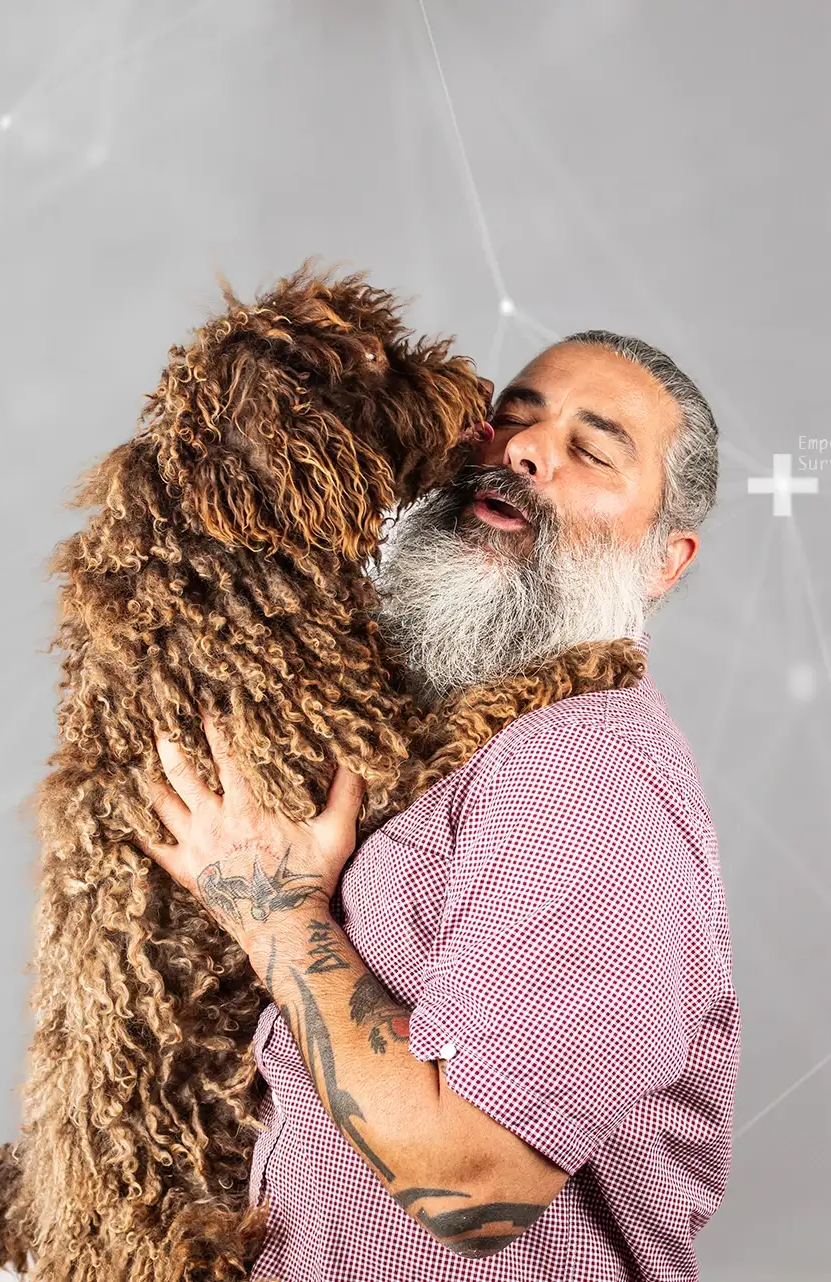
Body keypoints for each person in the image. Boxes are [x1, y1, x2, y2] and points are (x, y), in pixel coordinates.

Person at [141, 331, 738, 1281]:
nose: (526, 452)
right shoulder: (457, 746)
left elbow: (475, 1183)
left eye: (593, 451)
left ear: (666, 561)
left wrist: (275, 914)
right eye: (513, 418)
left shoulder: (584, 771)